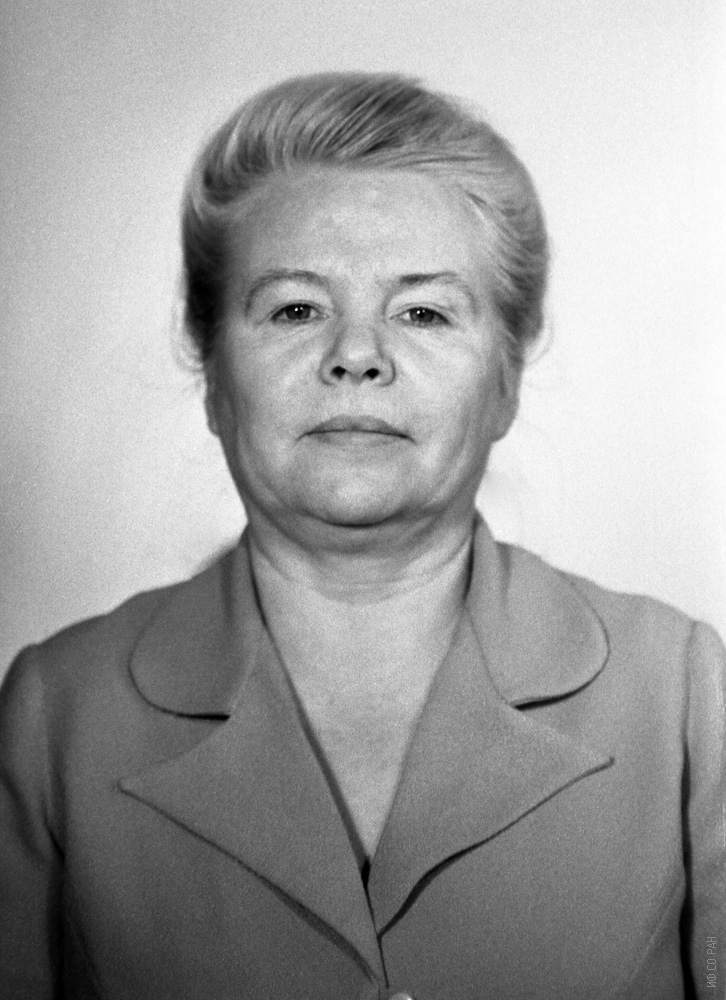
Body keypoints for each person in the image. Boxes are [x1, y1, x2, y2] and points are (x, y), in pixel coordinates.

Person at [0, 72, 723, 1000]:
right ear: (213, 373)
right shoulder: (53, 716)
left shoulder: (686, 696)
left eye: (423, 312)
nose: (356, 354)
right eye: (295, 308)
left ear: (506, 377)